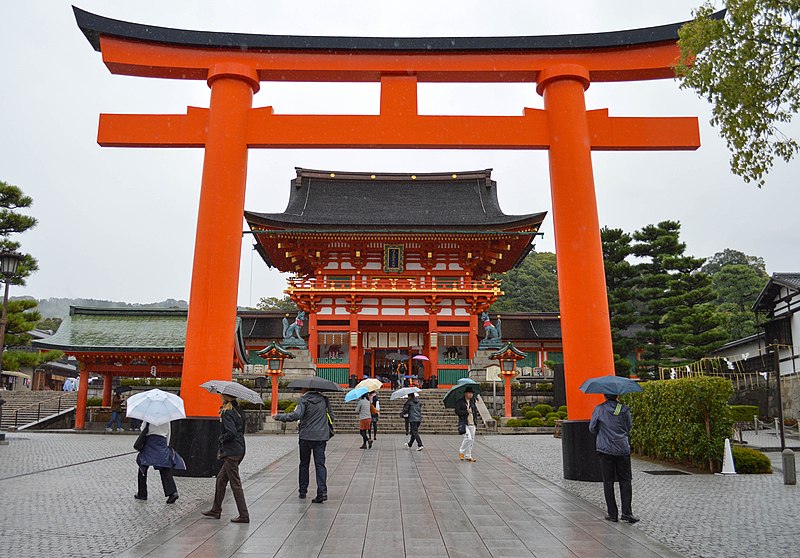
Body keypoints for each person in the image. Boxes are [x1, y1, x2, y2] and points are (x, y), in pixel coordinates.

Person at [274, 388, 334, 503]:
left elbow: (297, 415)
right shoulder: (324, 400)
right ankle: (322, 492)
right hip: (321, 436)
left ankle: (303, 490)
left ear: (305, 389)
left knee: (304, 463)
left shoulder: (304, 399)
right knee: (320, 464)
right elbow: (331, 416)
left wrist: (279, 417)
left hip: (306, 436)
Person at [589, 393, 639, 524]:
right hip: (622, 449)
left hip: (605, 450)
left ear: (604, 396)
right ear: (617, 395)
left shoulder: (599, 409)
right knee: (625, 481)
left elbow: (592, 428)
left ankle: (612, 514)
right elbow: (629, 427)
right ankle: (627, 513)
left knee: (608, 482)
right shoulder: (624, 409)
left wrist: (603, 430)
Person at [203, 394, 249, 523]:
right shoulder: (239, 411)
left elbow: (231, 433)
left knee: (235, 483)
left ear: (225, 397)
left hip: (232, 451)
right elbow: (241, 431)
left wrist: (221, 439)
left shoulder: (227, 412)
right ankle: (216, 509)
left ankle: (244, 514)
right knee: (221, 479)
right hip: (240, 448)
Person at [134, 419, 185, 504]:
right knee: (164, 468)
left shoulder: (149, 416)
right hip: (162, 442)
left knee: (142, 466)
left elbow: (143, 428)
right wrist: (166, 445)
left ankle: (142, 493)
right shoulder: (166, 417)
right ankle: (172, 492)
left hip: (150, 441)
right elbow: (169, 432)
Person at [455, 387, 478, 462]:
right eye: (469, 393)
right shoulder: (460, 402)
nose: (471, 395)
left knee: (472, 440)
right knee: (468, 438)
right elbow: (457, 411)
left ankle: (468, 455)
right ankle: (461, 452)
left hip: (472, 422)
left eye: (472, 393)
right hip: (464, 422)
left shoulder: (473, 402)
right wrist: (466, 412)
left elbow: (475, 412)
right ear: (465, 393)